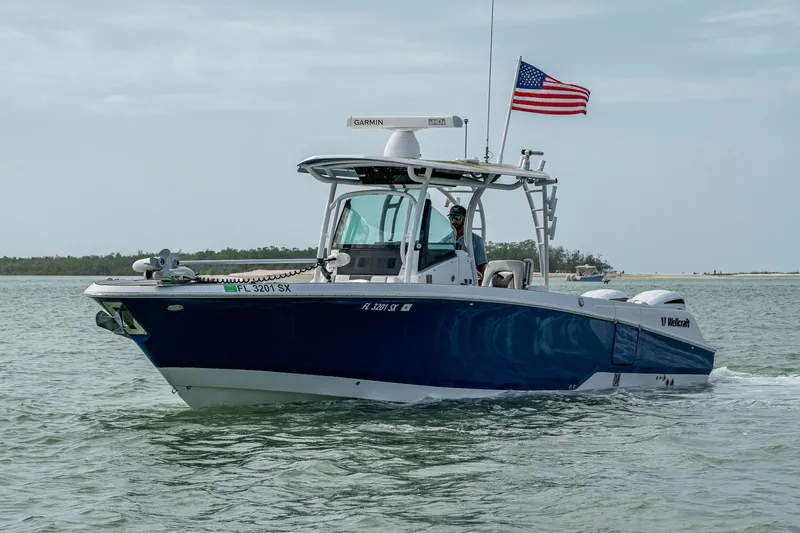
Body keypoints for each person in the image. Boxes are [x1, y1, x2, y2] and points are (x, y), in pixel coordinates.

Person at [447, 205, 487, 282]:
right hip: (447, 281)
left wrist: (479, 286)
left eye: (457, 217)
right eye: (451, 218)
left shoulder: (477, 240)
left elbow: (481, 266)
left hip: (468, 283)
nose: (454, 220)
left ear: (465, 219)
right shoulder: (444, 241)